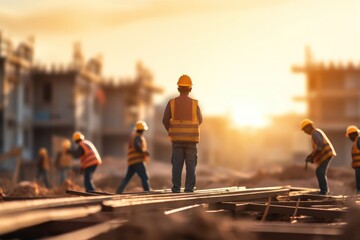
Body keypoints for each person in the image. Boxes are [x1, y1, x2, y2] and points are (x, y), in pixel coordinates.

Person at [162, 74, 203, 193]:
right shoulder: (195, 104)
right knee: (191, 166)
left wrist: (172, 131)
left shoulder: (172, 103)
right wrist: (191, 129)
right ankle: (189, 189)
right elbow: (200, 119)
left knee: (177, 165)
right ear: (190, 89)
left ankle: (176, 188)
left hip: (177, 140)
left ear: (178, 88)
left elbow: (165, 120)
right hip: (191, 140)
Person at [300, 119, 336, 195]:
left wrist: (312, 157)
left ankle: (324, 191)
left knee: (320, 172)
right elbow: (318, 148)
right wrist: (311, 156)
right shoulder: (316, 132)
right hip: (326, 155)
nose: (305, 132)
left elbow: (319, 146)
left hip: (326, 155)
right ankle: (324, 191)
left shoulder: (314, 133)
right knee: (319, 171)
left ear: (309, 127)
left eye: (304, 130)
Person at [116, 121, 150, 193]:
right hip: (138, 161)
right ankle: (147, 191)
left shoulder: (133, 135)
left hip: (132, 161)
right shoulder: (137, 136)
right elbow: (137, 146)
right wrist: (144, 152)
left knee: (127, 178)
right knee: (145, 177)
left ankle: (118, 191)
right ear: (142, 130)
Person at [345, 125, 360, 194]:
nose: (350, 138)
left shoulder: (359, 140)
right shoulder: (356, 141)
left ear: (354, 134)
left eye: (350, 136)